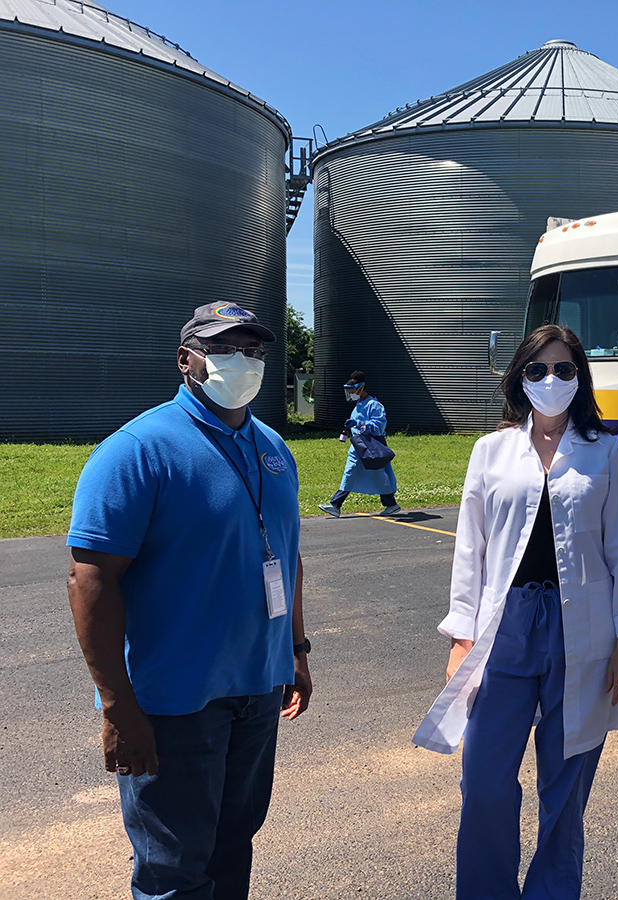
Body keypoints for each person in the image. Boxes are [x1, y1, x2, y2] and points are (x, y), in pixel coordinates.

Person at [66, 302, 312, 900]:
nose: (245, 362)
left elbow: (287, 552)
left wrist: (296, 651)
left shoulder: (273, 447)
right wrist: (117, 706)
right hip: (173, 704)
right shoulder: (138, 450)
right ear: (186, 360)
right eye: (227, 349)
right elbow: (90, 581)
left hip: (256, 690)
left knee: (234, 845)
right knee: (173, 868)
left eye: (254, 351)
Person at [413, 324, 618, 900]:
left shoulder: (604, 452)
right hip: (506, 627)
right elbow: (471, 547)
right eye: (538, 369)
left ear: (579, 378)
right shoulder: (491, 451)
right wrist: (460, 638)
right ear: (520, 379)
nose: (550, 379)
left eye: (564, 369)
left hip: (582, 630)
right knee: (486, 780)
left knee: (565, 788)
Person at [319, 370, 400, 517]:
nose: (351, 394)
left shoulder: (374, 405)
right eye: (349, 392)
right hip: (358, 445)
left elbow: (379, 426)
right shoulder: (358, 404)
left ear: (361, 388)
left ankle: (391, 504)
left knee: (378, 474)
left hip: (372, 444)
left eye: (352, 391)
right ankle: (335, 505)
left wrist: (359, 423)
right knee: (349, 472)